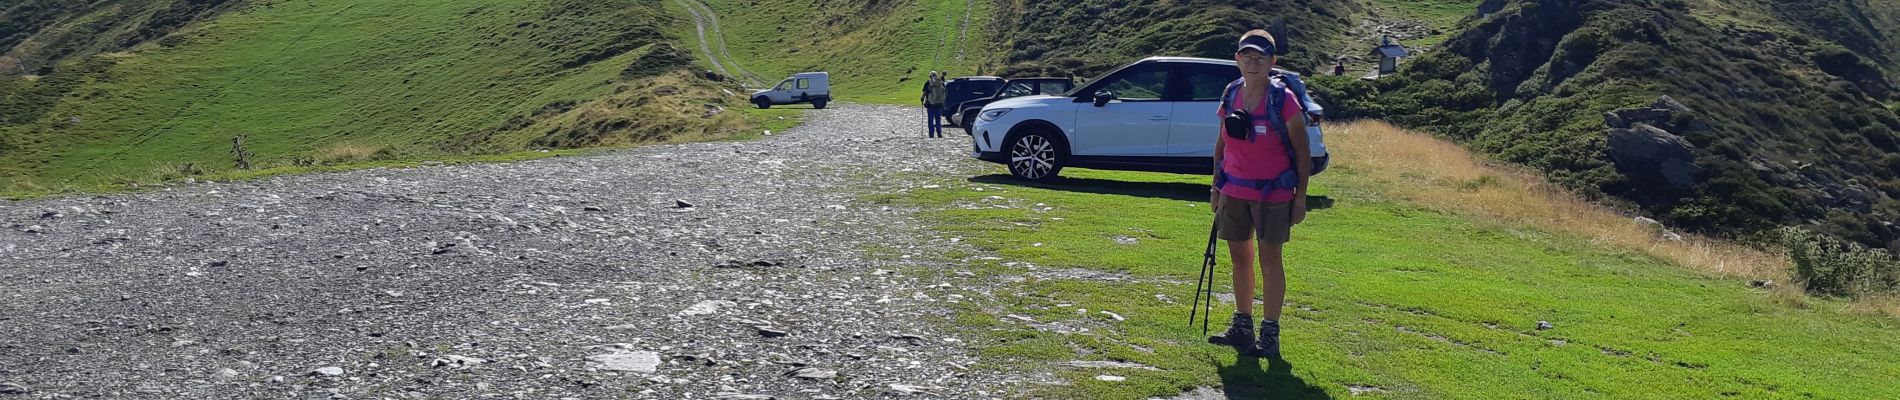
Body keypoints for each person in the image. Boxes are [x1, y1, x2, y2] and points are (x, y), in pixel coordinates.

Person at [1208, 30, 1310, 358]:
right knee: (1239, 258)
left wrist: (1300, 198)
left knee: (1270, 261)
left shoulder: (1283, 99)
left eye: (1260, 57)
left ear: (1272, 62)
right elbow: (1222, 144)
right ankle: (1242, 327)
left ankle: (1270, 334)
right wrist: (1216, 187)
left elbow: (1303, 152)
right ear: (1237, 59)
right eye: (1246, 56)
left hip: (1273, 193)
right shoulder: (1231, 92)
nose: (1253, 62)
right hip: (1234, 189)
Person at [921, 72, 948, 138]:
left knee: (930, 119)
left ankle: (931, 134)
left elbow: (924, 92)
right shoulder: (940, 82)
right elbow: (945, 92)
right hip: (939, 104)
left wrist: (922, 98)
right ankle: (939, 133)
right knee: (938, 119)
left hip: (930, 104)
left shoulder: (928, 82)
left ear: (930, 76)